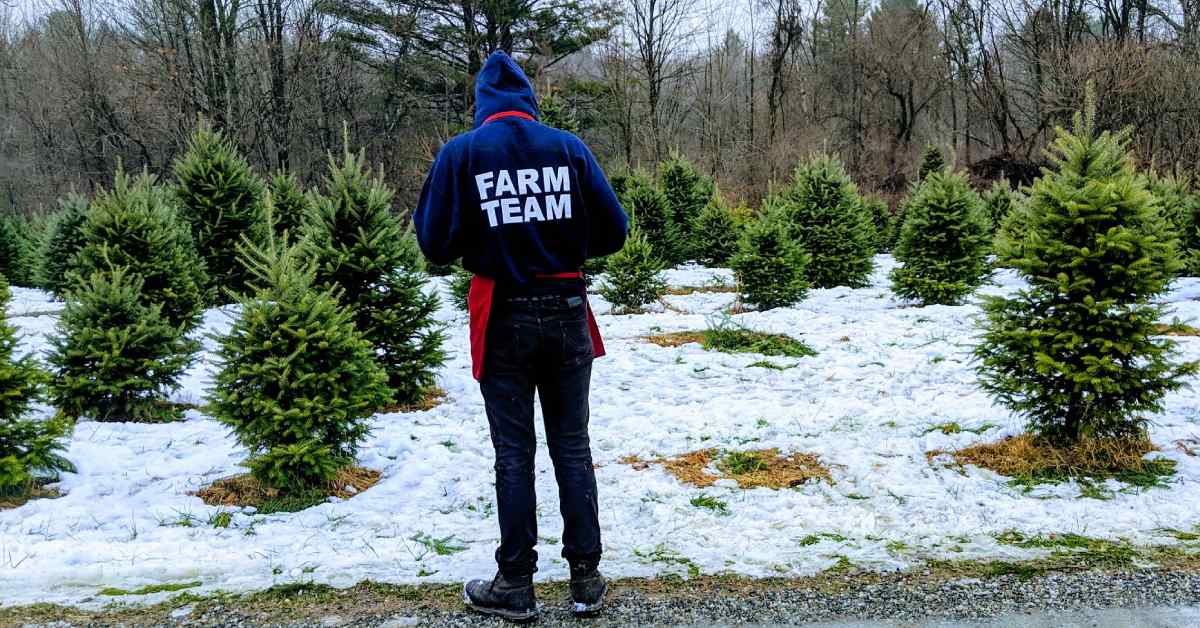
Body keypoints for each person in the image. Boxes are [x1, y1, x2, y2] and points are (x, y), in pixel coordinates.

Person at [414, 50, 629, 623]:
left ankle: (515, 583)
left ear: (483, 106)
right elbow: (614, 232)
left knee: (514, 455)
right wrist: (561, 237)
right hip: (564, 312)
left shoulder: (461, 154)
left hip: (503, 314)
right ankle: (585, 577)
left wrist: (482, 239)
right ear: (530, 102)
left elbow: (433, 244)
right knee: (572, 446)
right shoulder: (568, 149)